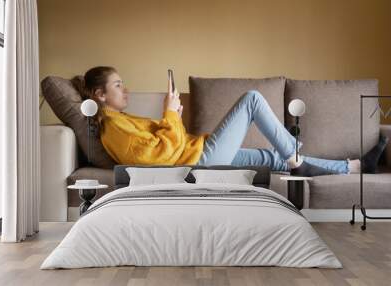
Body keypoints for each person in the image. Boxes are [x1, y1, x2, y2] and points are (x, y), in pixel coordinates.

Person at [71, 66, 388, 177]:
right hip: (198, 163)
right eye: (117, 85)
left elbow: (169, 143)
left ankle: (355, 168)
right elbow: (157, 158)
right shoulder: (113, 128)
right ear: (99, 94)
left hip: (199, 151)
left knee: (270, 158)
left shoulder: (121, 120)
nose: (124, 89)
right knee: (251, 99)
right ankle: (294, 155)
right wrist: (169, 114)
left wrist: (174, 117)